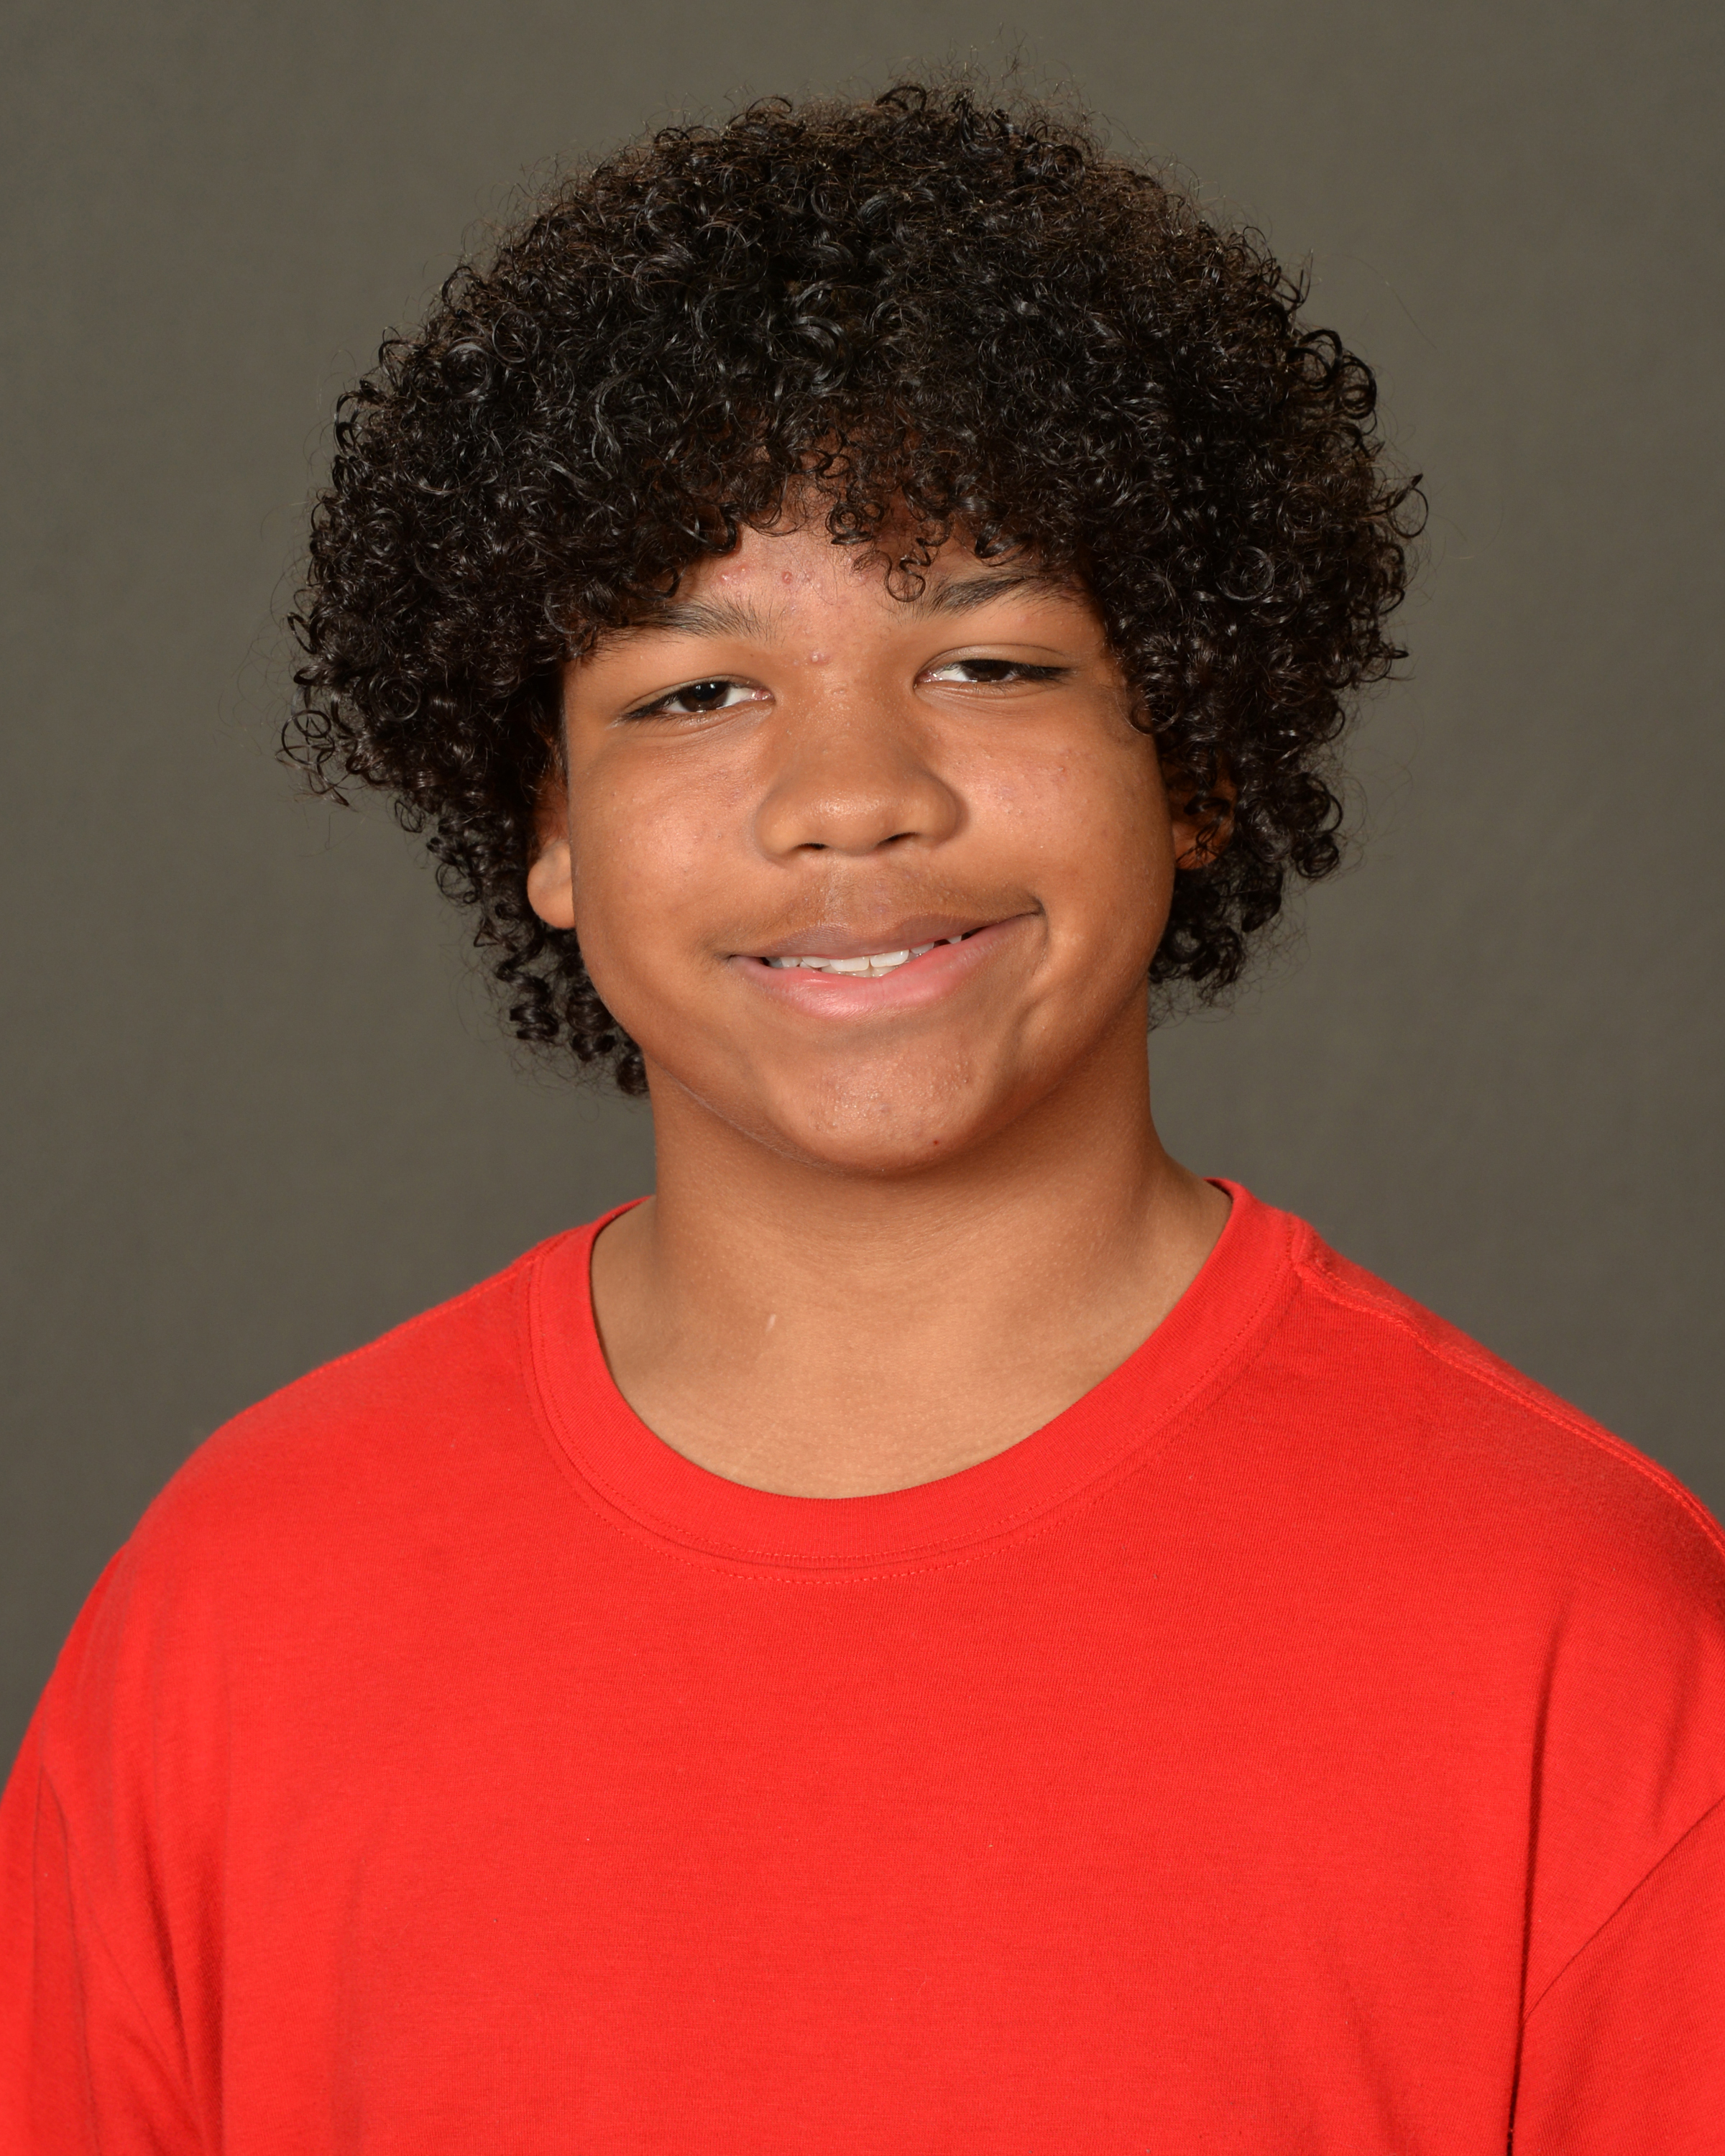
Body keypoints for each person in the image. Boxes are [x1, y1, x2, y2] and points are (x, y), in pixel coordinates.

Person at [3, 81, 1721, 2153]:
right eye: (693, 694)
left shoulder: (1579, 1635)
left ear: (1194, 756)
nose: (850, 797)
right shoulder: (234, 1620)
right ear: (548, 826)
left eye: (990, 664)